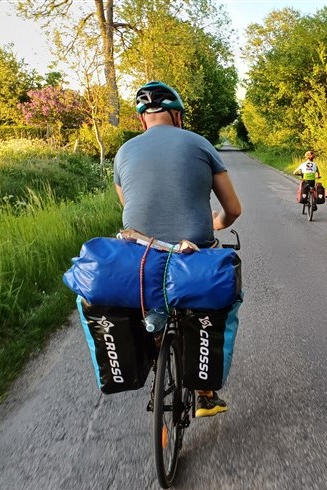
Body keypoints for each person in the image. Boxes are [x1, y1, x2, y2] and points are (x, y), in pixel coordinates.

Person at [113, 80, 242, 417]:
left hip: (140, 256)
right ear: (177, 115)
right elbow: (233, 208)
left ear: (143, 120)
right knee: (219, 297)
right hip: (192, 251)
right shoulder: (200, 144)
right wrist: (218, 222)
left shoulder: (123, 152)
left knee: (149, 301)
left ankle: (156, 351)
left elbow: (128, 207)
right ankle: (205, 391)